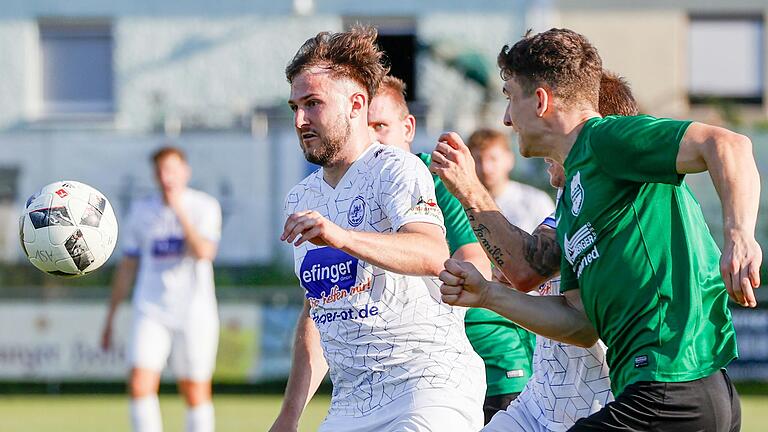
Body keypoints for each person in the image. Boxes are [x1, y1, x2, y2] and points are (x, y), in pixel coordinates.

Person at [432, 28, 760, 431]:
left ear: (539, 101)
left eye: (508, 97)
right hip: (667, 394)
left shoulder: (603, 139)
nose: (505, 119)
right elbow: (579, 324)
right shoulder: (571, 203)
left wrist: (740, 236)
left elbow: (728, 145)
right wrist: (487, 294)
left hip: (673, 389)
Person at [271, 26, 485, 432]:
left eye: (313, 103)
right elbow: (319, 310)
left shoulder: (397, 169)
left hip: (426, 389)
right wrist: (289, 414)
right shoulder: (301, 198)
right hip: (352, 403)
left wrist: (340, 236)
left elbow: (432, 254)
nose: (299, 120)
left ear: (356, 104)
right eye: (294, 106)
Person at [368, 75, 532, 424]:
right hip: (411, 372)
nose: (373, 139)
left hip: (490, 356)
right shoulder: (348, 193)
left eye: (381, 126)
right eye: (364, 128)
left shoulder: (433, 179)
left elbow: (476, 262)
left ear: (408, 128)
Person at [482, 70, 640, 432]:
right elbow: (522, 267)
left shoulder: (620, 202)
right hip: (542, 402)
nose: (510, 120)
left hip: (607, 399)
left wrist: (466, 188)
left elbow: (525, 270)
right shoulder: (568, 202)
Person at [101, 146, 222, 432]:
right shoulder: (142, 211)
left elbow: (204, 251)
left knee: (195, 390)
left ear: (185, 172)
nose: (166, 176)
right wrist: (110, 318)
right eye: (160, 171)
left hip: (195, 312)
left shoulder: (204, 206)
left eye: (172, 169)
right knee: (140, 383)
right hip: (151, 309)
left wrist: (178, 210)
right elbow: (127, 267)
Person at [466, 128, 554, 233]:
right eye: (478, 159)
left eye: (493, 159)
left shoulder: (536, 202)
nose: (486, 168)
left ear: (509, 159)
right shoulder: (459, 205)